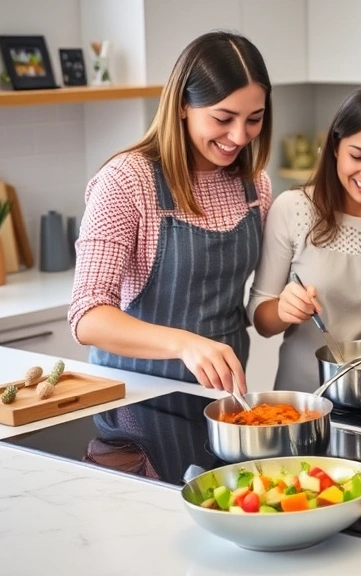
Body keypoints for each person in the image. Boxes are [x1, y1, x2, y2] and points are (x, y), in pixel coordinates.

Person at [69, 32, 274, 394]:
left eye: (253, 119)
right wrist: (184, 343)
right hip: (132, 400)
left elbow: (268, 296)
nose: (240, 136)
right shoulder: (127, 180)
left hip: (221, 402)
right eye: (223, 118)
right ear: (183, 105)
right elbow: (87, 315)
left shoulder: (256, 185)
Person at [247, 87, 361, 392]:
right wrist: (283, 309)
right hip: (303, 400)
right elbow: (261, 317)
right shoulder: (293, 209)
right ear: (335, 146)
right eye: (357, 156)